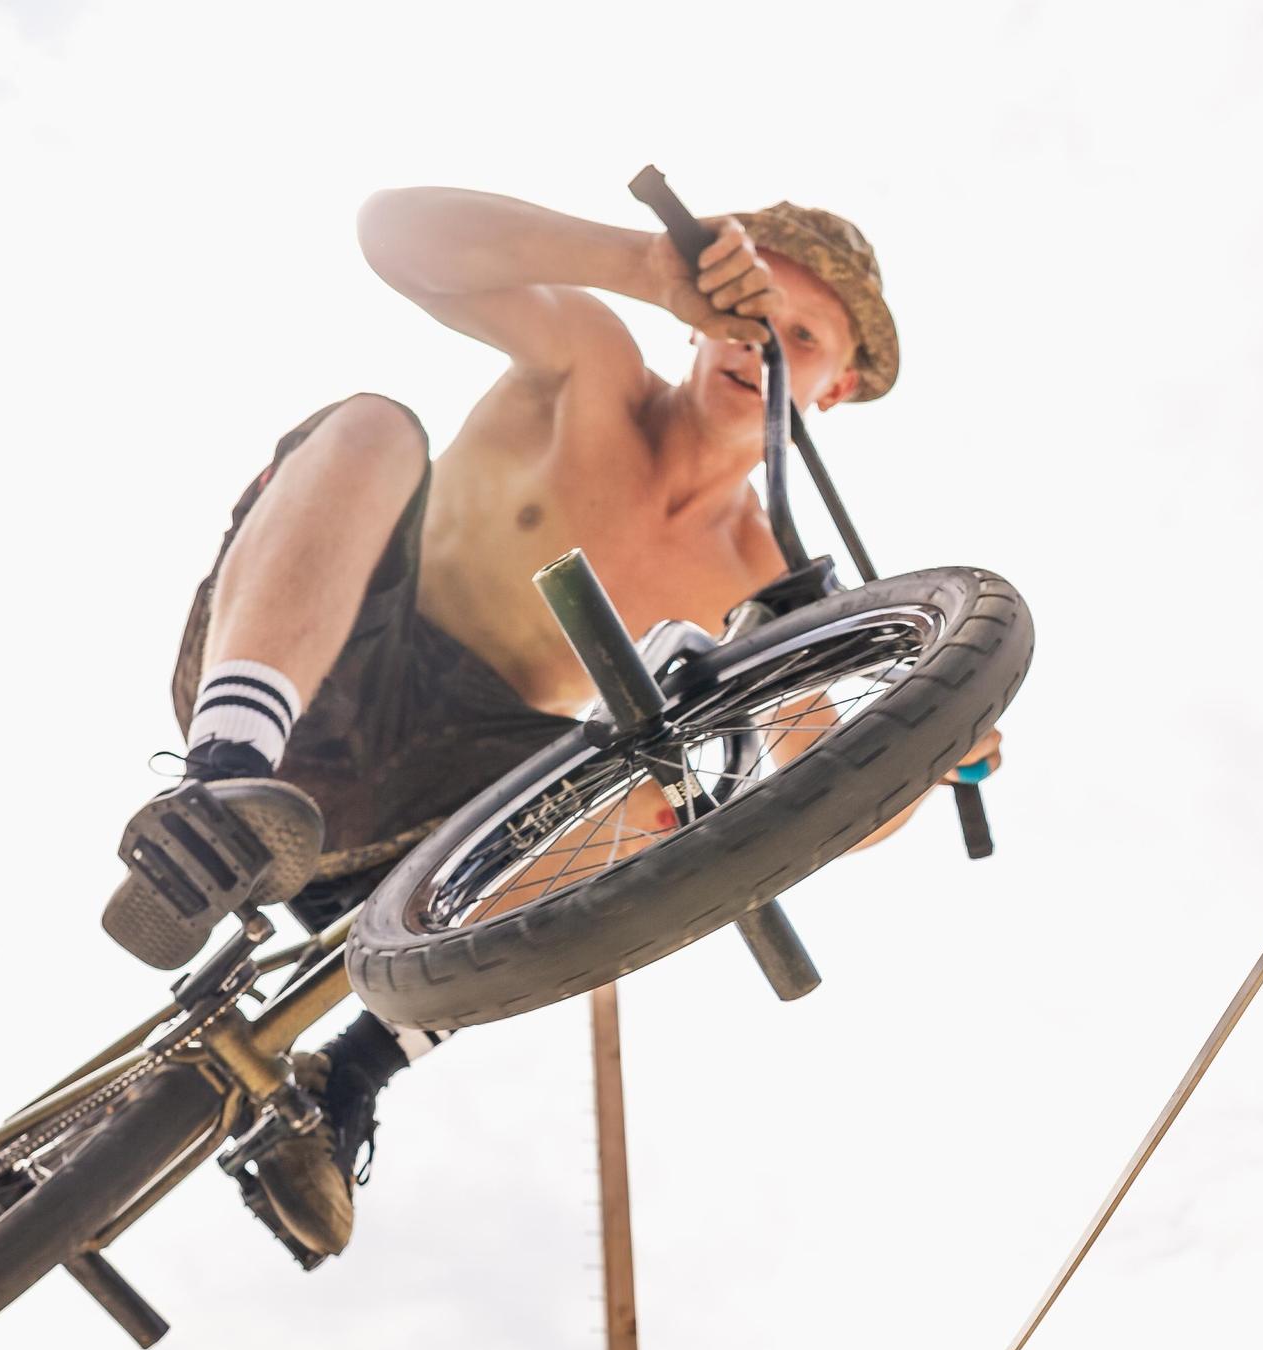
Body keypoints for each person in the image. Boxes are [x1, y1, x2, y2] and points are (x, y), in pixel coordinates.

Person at [101, 186, 1001, 1261]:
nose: (762, 342)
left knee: (685, 792)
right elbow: (393, 235)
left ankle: (347, 1078)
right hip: (322, 663)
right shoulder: (590, 364)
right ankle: (216, 788)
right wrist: (642, 264)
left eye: (798, 337)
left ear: (834, 385)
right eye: (751, 308)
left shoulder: (761, 576)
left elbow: (836, 806)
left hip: (443, 805)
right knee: (374, 425)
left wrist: (931, 741)